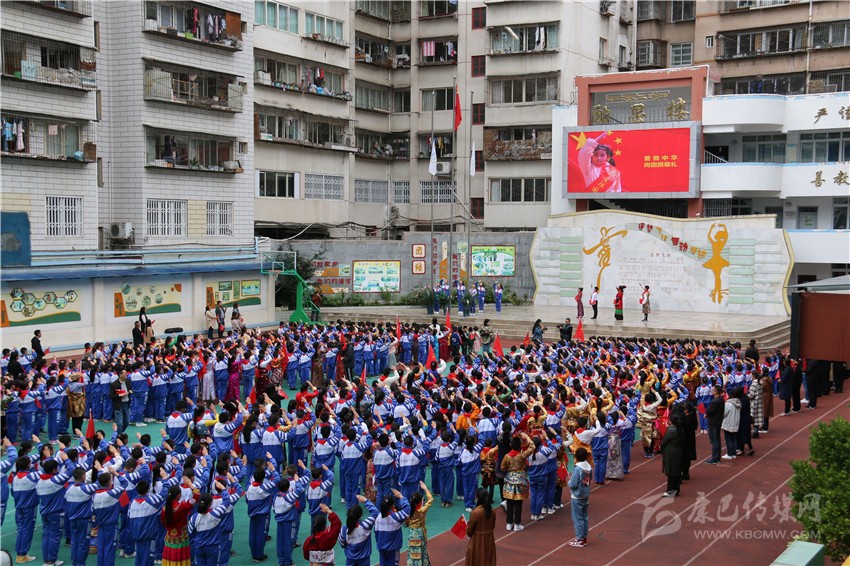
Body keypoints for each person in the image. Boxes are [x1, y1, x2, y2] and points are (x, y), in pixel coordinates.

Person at [500, 432, 533, 531]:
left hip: (509, 481)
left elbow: (502, 467)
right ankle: (517, 523)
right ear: (519, 446)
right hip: (520, 481)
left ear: (511, 445)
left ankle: (509, 523)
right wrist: (527, 437)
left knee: (510, 502)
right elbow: (532, 447)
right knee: (518, 503)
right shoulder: (522, 455)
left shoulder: (507, 456)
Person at [338, 494, 380, 566]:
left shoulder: (344, 530)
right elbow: (375, 512)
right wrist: (365, 500)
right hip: (364, 560)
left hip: (350, 559)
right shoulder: (366, 525)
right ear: (361, 515)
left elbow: (342, 544)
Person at [161, 485, 197, 566]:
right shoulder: (182, 507)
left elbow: (163, 523)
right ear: (179, 495)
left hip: (169, 538)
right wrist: (191, 485)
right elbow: (197, 496)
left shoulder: (164, 509)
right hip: (182, 539)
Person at [405, 482, 434, 566]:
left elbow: (406, 521)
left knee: (412, 552)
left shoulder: (408, 511)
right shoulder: (422, 510)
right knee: (422, 551)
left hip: (412, 533)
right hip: (420, 533)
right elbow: (431, 500)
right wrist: (425, 489)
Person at [568, 447, 592, 548]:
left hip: (577, 496)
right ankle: (584, 537)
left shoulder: (577, 469)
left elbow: (573, 484)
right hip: (585, 494)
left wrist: (569, 482)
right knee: (584, 517)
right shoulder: (588, 467)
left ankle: (579, 539)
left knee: (577, 518)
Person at [465, 488, 496, 566]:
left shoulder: (476, 512)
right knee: (488, 560)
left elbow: (469, 531)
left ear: (477, 498)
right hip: (489, 540)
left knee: (476, 561)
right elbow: (493, 526)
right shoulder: (492, 511)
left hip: (477, 541)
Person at [660, 413, 683, 497]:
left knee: (670, 472)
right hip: (678, 451)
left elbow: (664, 441)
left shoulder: (671, 430)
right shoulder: (680, 429)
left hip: (671, 452)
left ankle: (670, 491)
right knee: (676, 472)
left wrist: (661, 447)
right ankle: (676, 489)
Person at [704, 385, 725, 464]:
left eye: (713, 390)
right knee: (717, 440)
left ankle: (715, 458)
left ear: (715, 391)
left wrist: (706, 413)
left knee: (714, 441)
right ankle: (717, 457)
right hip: (718, 421)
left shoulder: (715, 401)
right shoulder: (721, 399)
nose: (711, 390)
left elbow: (710, 411)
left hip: (713, 422)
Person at [721, 389, 741, 460]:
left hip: (728, 423)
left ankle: (729, 454)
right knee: (734, 438)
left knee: (728, 439)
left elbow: (724, 413)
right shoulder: (738, 402)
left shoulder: (728, 403)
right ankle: (733, 453)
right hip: (736, 423)